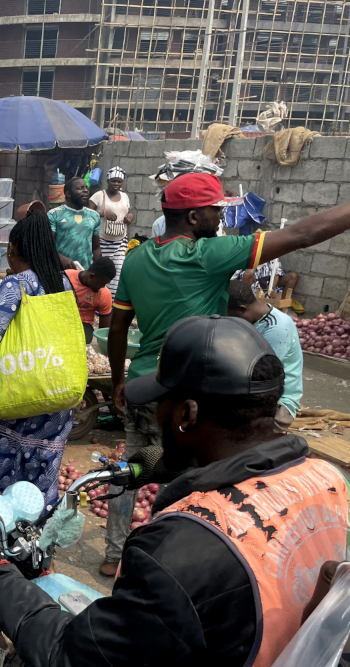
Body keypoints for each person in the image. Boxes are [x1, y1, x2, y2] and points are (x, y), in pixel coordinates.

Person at [0, 314, 349, 667]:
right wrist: (169, 465)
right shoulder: (325, 478)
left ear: (186, 414)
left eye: (162, 401)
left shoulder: (178, 549)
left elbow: (69, 656)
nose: (156, 411)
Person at [106, 171, 350, 577]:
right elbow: (304, 235)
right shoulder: (208, 255)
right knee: (185, 480)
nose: (221, 217)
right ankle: (158, 565)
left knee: (131, 470)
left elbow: (117, 328)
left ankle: (114, 554)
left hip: (144, 384)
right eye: (216, 210)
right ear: (194, 216)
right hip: (190, 394)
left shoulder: (135, 258)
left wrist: (118, 381)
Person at [0, 210, 75, 508]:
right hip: (54, 397)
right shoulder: (65, 284)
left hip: (16, 398)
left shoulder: (16, 285)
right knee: (37, 489)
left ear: (12, 250)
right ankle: (35, 548)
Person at [227, 280, 303, 429]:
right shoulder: (253, 320)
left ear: (241, 309)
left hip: (278, 402)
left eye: (229, 315)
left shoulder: (277, 330)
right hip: (255, 390)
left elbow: (261, 376)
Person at [89, 166, 134, 293]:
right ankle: (101, 297)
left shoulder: (125, 196)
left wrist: (130, 217)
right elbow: (87, 214)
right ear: (108, 181)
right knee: (102, 271)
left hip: (120, 241)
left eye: (119, 181)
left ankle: (112, 303)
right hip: (102, 241)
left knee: (118, 272)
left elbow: (127, 212)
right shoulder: (99, 195)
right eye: (113, 181)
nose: (116, 184)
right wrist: (103, 214)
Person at [49, 177, 101, 270]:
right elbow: (46, 244)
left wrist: (96, 269)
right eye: (80, 188)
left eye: (86, 188)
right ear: (68, 194)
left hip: (85, 273)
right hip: (60, 271)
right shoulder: (55, 214)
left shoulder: (94, 215)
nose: (85, 191)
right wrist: (60, 258)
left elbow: (96, 248)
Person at [65, 257, 115, 343]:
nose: (102, 287)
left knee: (83, 336)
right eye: (101, 284)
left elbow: (104, 330)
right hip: (62, 319)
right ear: (91, 276)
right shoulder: (66, 278)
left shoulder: (104, 293)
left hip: (83, 325)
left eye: (105, 284)